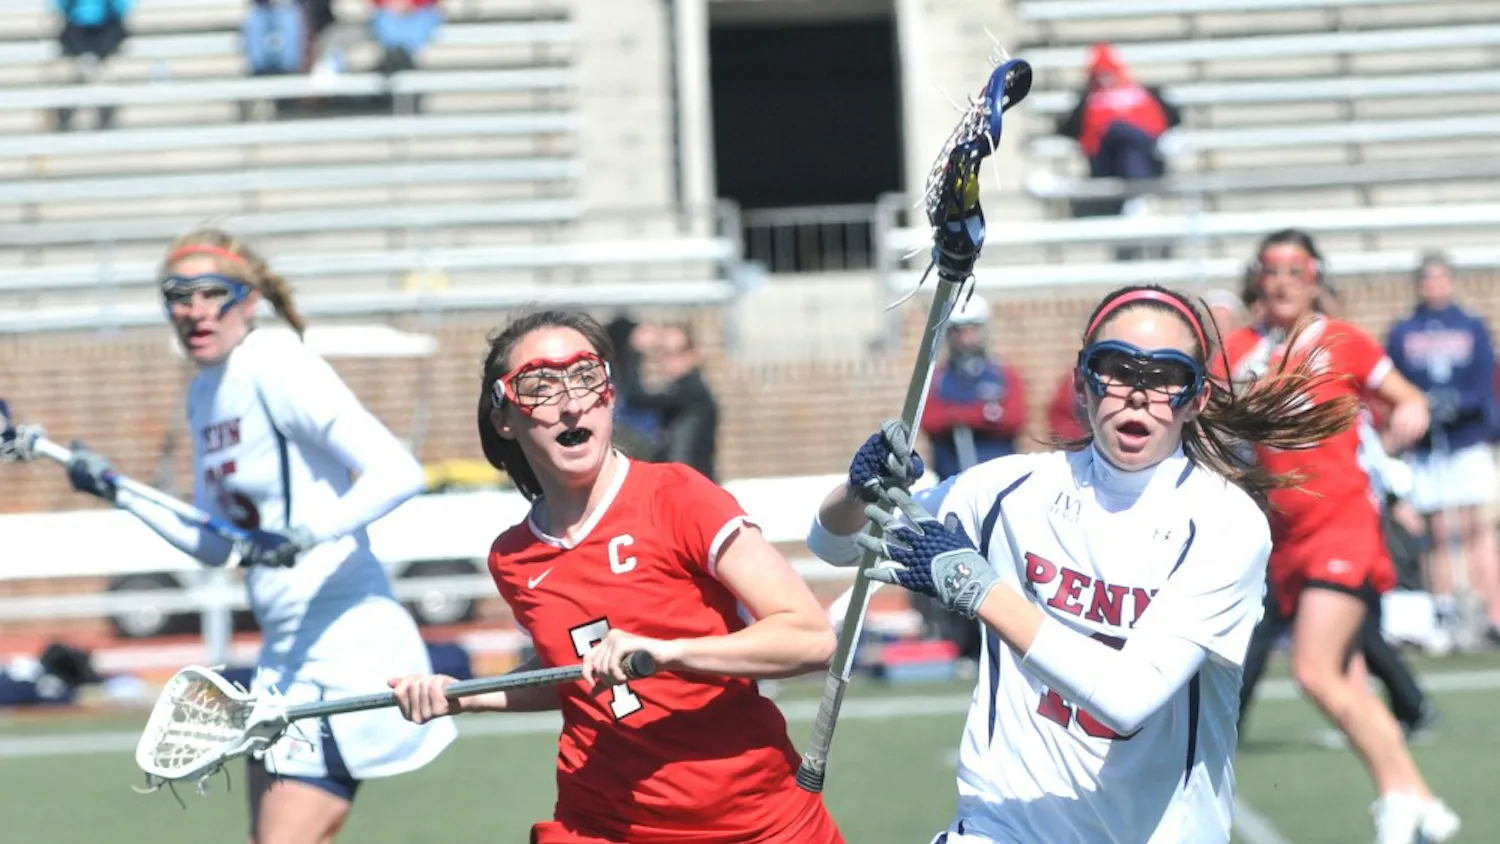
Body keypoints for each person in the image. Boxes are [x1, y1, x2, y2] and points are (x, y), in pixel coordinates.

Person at [809, 284, 1362, 843]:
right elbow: (837, 544)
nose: (1138, 394)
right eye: (1117, 369)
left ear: (1196, 399)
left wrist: (979, 588)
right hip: (1005, 827)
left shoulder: (1225, 522)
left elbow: (1128, 697)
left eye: (1165, 376)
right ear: (1082, 384)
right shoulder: (1009, 489)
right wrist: (858, 491)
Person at [387, 310, 843, 844]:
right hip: (603, 824)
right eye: (540, 386)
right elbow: (571, 671)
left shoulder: (677, 496)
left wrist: (668, 652)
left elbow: (811, 637)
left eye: (585, 377)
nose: (571, 402)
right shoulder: (513, 558)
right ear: (504, 418)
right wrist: (466, 695)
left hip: (758, 822)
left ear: (608, 395)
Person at [61, 228, 456, 844]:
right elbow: (217, 544)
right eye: (178, 295)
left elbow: (398, 471)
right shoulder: (205, 392)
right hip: (283, 656)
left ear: (248, 301)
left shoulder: (276, 364)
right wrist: (118, 489)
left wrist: (305, 534)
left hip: (346, 647)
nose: (195, 310)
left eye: (212, 292)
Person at [1224, 229, 1459, 843]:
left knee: (1314, 671)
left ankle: (1399, 800)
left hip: (1342, 524)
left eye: (1295, 270)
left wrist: (1411, 414)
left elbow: (1407, 398)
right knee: (1348, 680)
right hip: (1286, 537)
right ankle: (1420, 800)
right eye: (1271, 270)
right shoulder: (1242, 350)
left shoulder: (1341, 341)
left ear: (1315, 278)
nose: (1282, 282)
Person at [1386, 250, 1500, 647]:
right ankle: (1445, 610)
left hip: (1466, 441)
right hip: (1427, 445)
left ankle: (1491, 613)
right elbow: (1395, 381)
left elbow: (1484, 383)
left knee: (1476, 527)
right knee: (1436, 530)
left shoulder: (1471, 326)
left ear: (1450, 282)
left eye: (1440, 278)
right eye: (1427, 279)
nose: (1433, 286)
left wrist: (1460, 404)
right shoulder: (1404, 331)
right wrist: (1422, 405)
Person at [1055, 41, 1181, 244]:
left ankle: (1136, 198)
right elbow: (1067, 130)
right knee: (1119, 131)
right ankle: (1138, 199)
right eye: (1099, 74)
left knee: (1130, 146)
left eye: (1108, 73)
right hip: (1108, 161)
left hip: (1148, 158)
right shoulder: (1087, 99)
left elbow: (1174, 120)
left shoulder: (1146, 92)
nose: (1105, 79)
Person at [920, 293, 1027, 481]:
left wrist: (956, 416)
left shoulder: (1003, 375)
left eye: (972, 330)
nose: (966, 339)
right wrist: (982, 415)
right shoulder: (937, 379)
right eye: (959, 332)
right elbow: (929, 419)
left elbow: (1014, 418)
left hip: (999, 479)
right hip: (951, 479)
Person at [53, 0, 133, 131]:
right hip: (76, 32)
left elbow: (122, 9)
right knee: (71, 78)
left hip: (106, 32)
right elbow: (60, 8)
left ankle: (106, 122)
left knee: (104, 81)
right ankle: (64, 122)